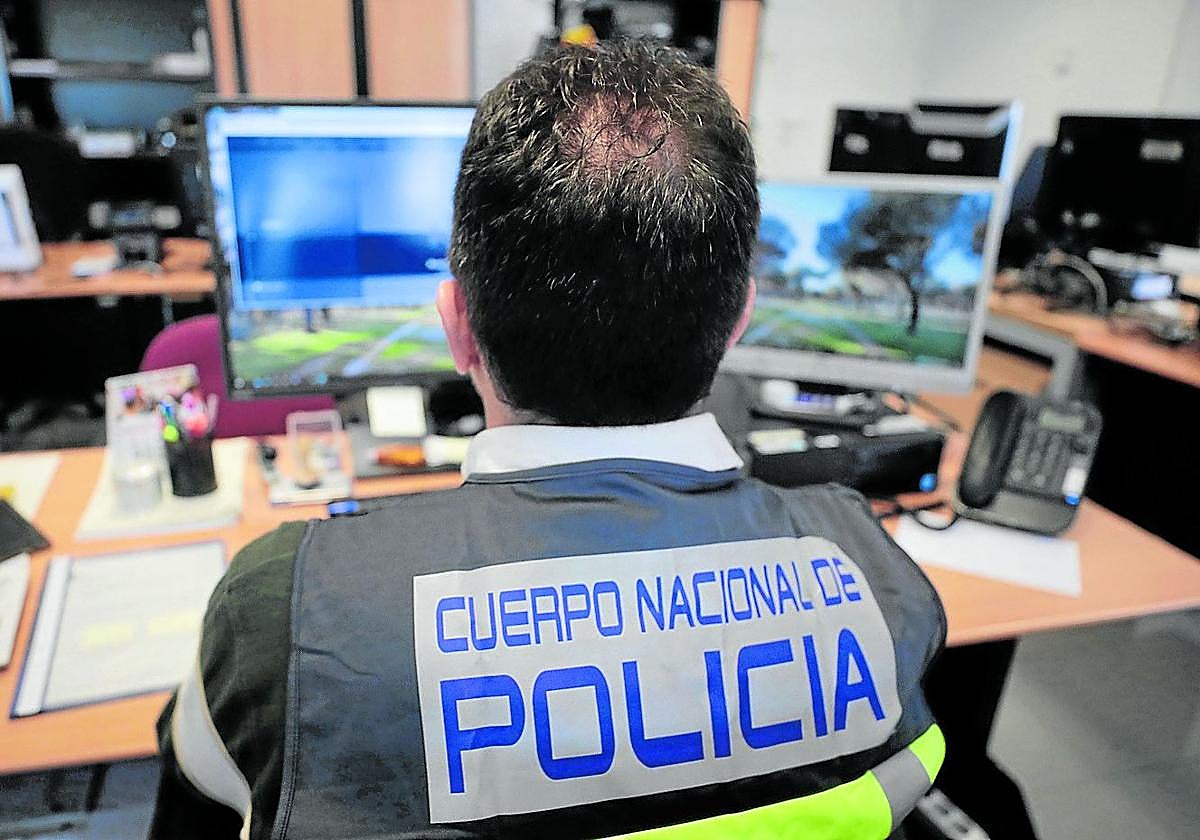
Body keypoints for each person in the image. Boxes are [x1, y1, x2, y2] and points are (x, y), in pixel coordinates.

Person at [151, 40, 945, 840]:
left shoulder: (279, 615)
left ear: (457, 326)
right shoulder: (877, 576)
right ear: (739, 317)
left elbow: (206, 784)